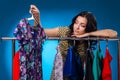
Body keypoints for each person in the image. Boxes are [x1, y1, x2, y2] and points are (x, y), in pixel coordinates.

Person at [29, 5, 117, 80]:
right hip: (58, 76)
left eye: (82, 25)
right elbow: (40, 32)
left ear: (88, 28)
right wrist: (37, 18)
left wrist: (87, 34)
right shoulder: (65, 31)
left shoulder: (89, 38)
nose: (77, 27)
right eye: (76, 22)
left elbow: (113, 33)